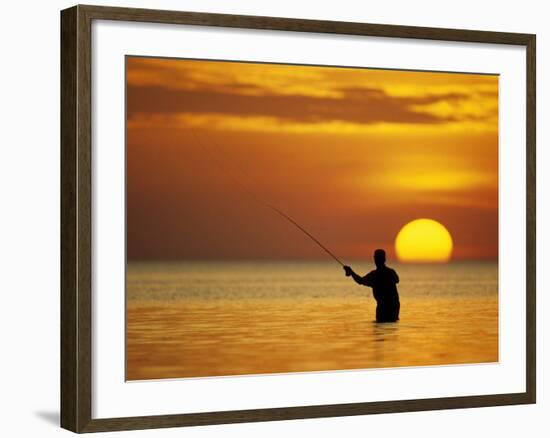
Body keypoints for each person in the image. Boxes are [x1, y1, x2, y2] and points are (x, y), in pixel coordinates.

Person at [343, 249, 400, 322]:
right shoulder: (390, 272)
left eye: (377, 258)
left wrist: (351, 272)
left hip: (384, 307)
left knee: (381, 327)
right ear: (384, 259)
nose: (376, 260)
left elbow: (360, 281)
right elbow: (397, 280)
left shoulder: (374, 275)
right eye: (376, 258)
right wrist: (351, 272)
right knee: (391, 325)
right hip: (394, 306)